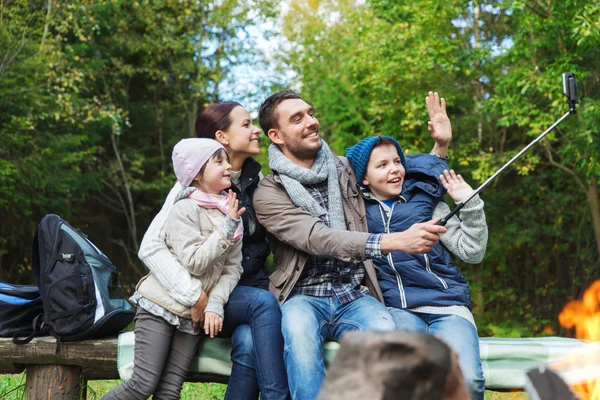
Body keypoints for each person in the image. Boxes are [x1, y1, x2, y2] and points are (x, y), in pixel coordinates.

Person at [253, 90, 450, 400]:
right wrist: (393, 241)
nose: (311, 121)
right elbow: (318, 237)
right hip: (303, 296)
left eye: (311, 113)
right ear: (276, 135)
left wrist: (440, 147)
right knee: (299, 338)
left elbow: (395, 173)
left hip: (356, 294)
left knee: (387, 338)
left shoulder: (345, 168)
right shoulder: (269, 192)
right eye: (297, 119)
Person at [136, 102, 290, 400]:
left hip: (240, 291)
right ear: (222, 136)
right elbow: (150, 247)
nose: (256, 129)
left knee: (247, 342)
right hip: (207, 296)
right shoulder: (188, 189)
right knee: (261, 304)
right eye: (245, 124)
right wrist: (196, 296)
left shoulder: (257, 184)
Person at [345, 121, 488, 398]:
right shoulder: (356, 213)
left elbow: (472, 251)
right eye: (382, 165)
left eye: (397, 161)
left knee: (468, 382)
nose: (394, 169)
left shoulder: (428, 203)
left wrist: (470, 204)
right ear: (364, 178)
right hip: (397, 311)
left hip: (448, 307)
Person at [103, 138, 245, 399]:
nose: (228, 166)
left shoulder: (231, 211)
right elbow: (194, 261)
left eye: (227, 160)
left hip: (194, 315)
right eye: (218, 161)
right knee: (142, 385)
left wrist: (215, 303)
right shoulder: (184, 209)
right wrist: (227, 227)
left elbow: (233, 269)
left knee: (169, 391)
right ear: (198, 174)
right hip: (162, 306)